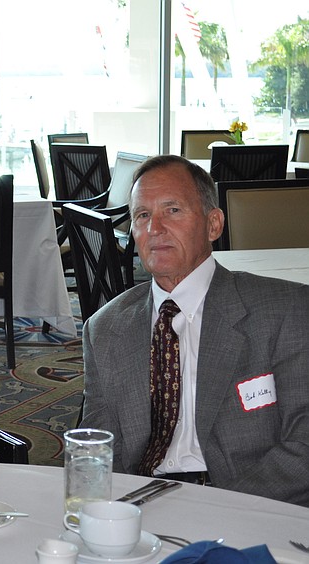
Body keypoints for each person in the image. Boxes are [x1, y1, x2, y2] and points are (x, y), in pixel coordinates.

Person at [80, 154, 309, 506]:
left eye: (172, 210)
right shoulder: (105, 328)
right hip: (143, 503)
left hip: (249, 504)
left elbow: (304, 442)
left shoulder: (285, 310)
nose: (155, 228)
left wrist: (221, 508)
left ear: (213, 224)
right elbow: (97, 447)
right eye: (143, 215)